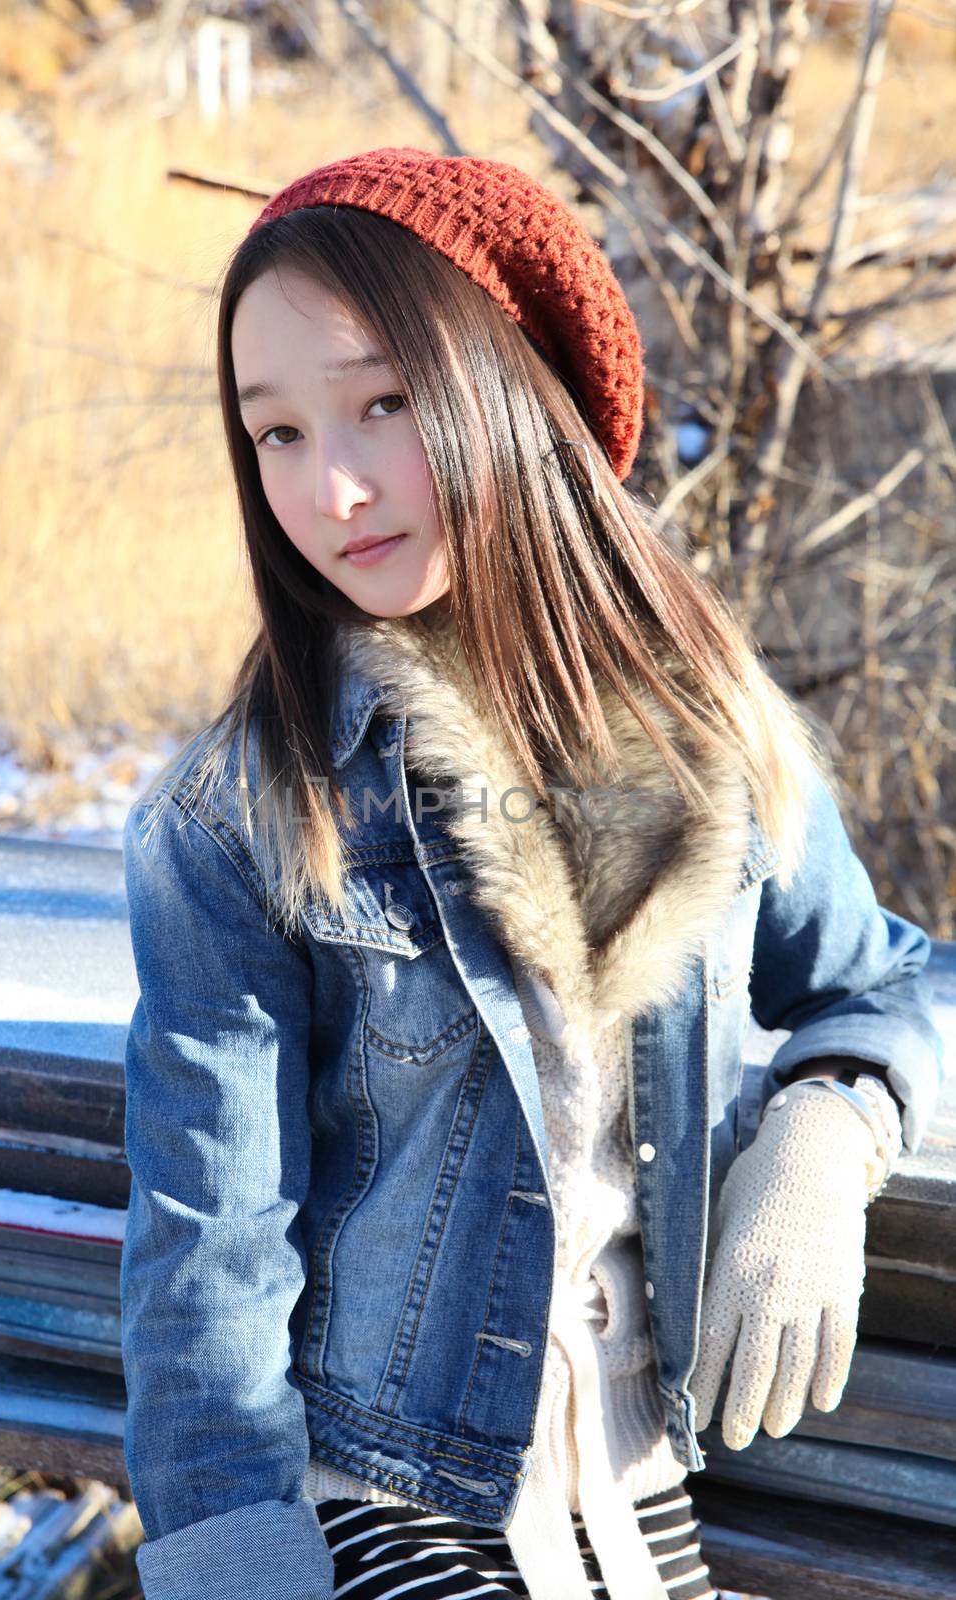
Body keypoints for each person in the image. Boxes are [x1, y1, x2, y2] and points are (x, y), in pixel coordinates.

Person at [117, 147, 946, 1600]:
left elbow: (882, 975)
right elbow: (209, 1251)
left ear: (510, 387)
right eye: (280, 435)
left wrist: (826, 1133)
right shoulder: (248, 811)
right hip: (386, 1486)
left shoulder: (706, 722)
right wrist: (235, 1566)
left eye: (384, 403)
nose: (338, 486)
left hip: (634, 1486)